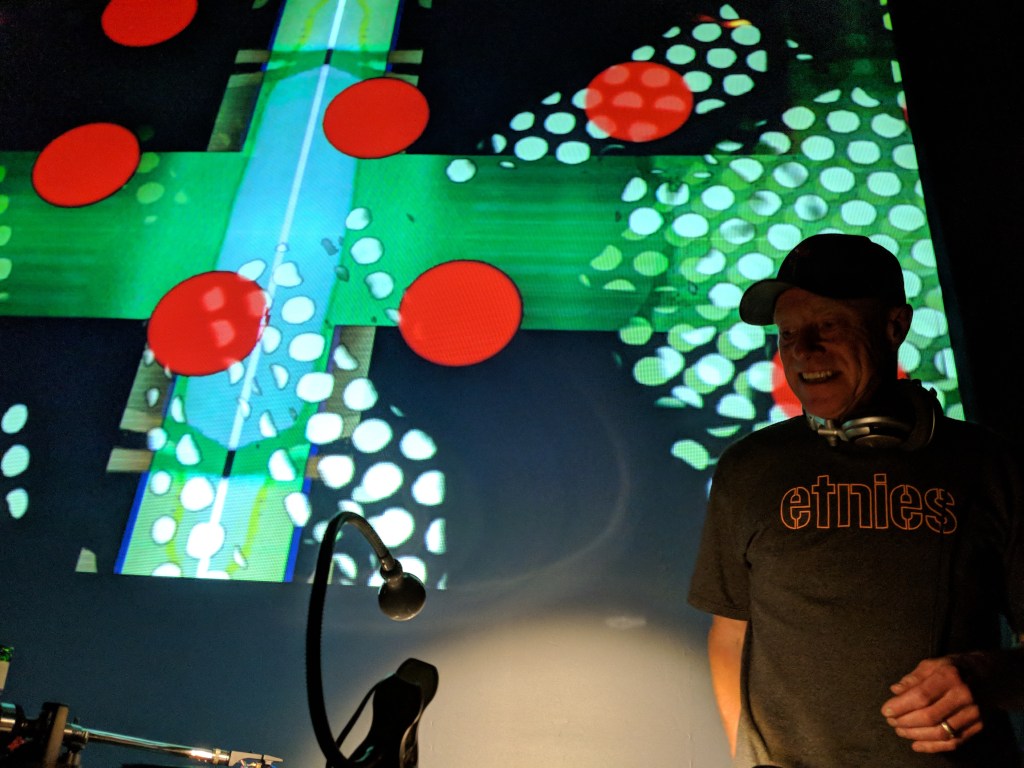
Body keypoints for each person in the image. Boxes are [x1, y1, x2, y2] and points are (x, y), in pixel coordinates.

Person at [686, 232, 1024, 767]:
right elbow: (730, 637)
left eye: (828, 326)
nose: (803, 349)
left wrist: (987, 677)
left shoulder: (992, 465)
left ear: (895, 327)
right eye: (788, 333)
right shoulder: (748, 468)